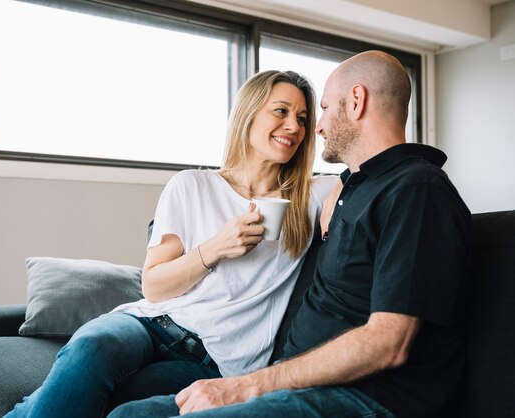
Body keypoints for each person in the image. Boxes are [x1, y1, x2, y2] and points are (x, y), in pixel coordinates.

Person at [108, 50, 472, 418]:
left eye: (325, 109)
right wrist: (345, 184)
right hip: (297, 384)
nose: (315, 127)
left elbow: (388, 342)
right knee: (126, 414)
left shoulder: (416, 189)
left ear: (357, 101)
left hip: (363, 396)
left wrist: (251, 383)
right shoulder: (361, 189)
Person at [3, 70, 338, 418]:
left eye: (302, 118)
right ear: (249, 113)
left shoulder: (310, 196)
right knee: (90, 347)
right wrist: (215, 249)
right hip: (151, 323)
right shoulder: (191, 186)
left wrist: (339, 190)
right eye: (281, 111)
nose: (294, 127)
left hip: (214, 358)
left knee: (113, 400)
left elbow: (373, 170)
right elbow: (154, 286)